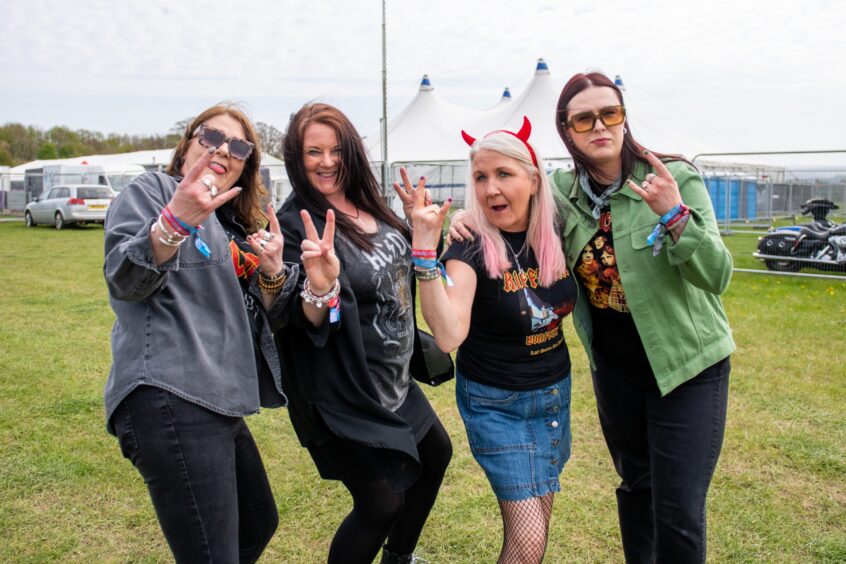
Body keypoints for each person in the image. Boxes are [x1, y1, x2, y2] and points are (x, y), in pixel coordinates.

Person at [451, 73, 735, 563]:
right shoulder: (563, 193)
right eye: (584, 118)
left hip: (687, 368)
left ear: (624, 118)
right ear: (567, 130)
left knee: (678, 511)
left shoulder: (672, 177)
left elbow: (718, 275)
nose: (599, 125)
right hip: (617, 372)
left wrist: (676, 216)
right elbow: (511, 195)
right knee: (636, 489)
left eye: (611, 113)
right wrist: (465, 216)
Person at [103, 104, 301, 562]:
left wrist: (272, 272)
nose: (223, 150)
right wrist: (174, 223)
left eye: (239, 146)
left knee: (258, 522)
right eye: (211, 136)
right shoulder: (152, 191)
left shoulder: (232, 225)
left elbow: (264, 316)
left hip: (219, 398)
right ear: (188, 142)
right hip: (170, 392)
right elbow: (124, 279)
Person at [274, 102, 452, 564]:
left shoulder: (372, 204)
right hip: (345, 390)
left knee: (435, 457)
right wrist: (321, 285)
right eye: (313, 151)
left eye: (336, 150)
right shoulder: (299, 223)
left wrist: (421, 229)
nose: (327, 161)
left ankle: (399, 558)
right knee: (380, 504)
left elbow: (400, 276)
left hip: (392, 379)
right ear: (297, 156)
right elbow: (296, 313)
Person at [404, 117, 576, 563]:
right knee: (528, 542)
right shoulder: (469, 244)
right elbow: (448, 334)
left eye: (504, 174)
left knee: (535, 535)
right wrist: (426, 255)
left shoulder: (558, 230)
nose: (490, 189)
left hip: (554, 400)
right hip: (497, 405)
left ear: (534, 180)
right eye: (480, 177)